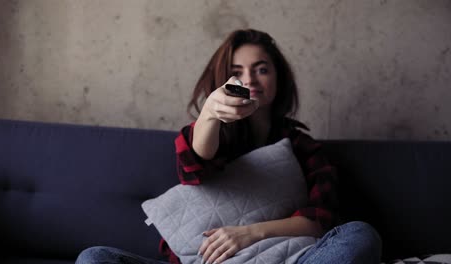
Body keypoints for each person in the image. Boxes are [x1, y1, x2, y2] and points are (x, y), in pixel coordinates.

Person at [76, 28, 382, 264]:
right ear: (224, 78)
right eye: (237, 72)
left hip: (284, 258)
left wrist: (246, 234)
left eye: (262, 69)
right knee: (94, 258)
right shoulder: (216, 133)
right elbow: (194, 167)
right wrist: (210, 113)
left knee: (360, 234)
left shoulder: (304, 148)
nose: (249, 79)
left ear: (279, 77)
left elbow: (319, 222)